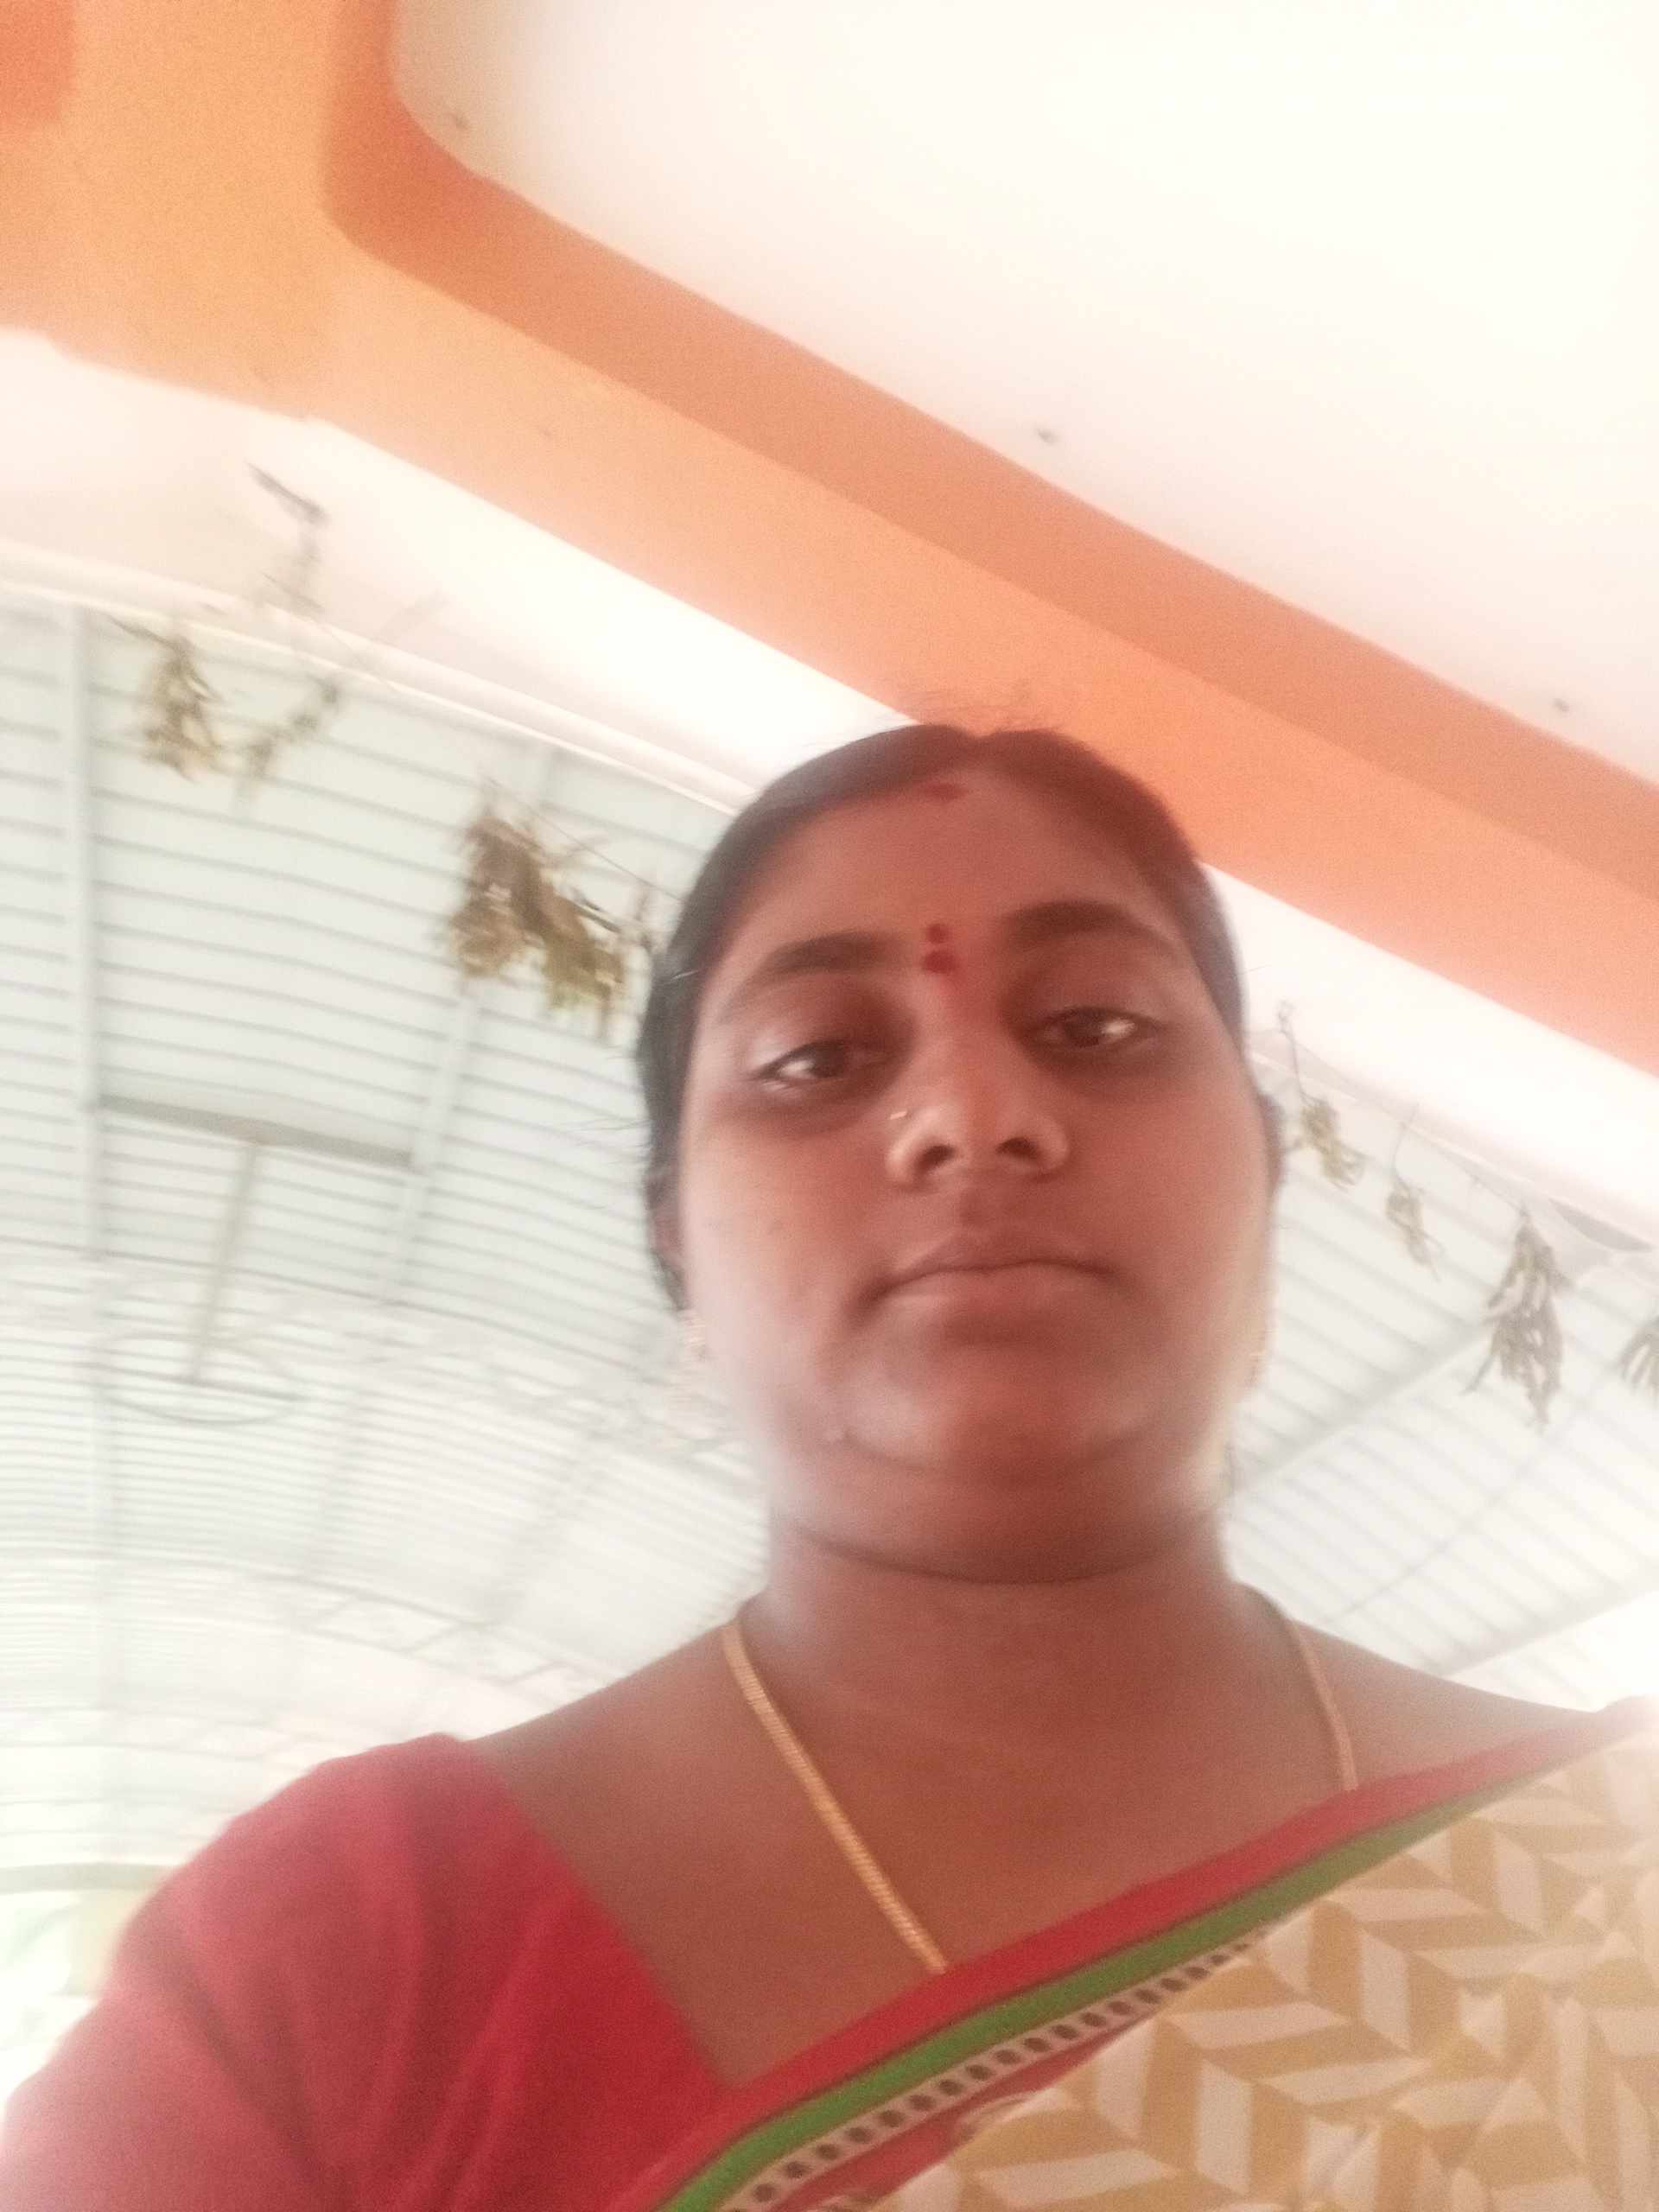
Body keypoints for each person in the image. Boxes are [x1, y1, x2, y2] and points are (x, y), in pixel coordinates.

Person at [5, 724, 1654, 2211]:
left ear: (1265, 1171)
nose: (976, 1112)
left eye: (1094, 1025)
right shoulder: (345, 1953)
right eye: (816, 1058)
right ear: (676, 1238)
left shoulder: (1613, 1877)